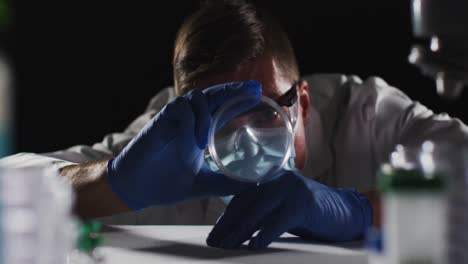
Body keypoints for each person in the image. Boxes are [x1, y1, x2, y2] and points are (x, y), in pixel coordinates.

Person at [2, 0, 468, 250]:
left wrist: (363, 211)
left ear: (302, 102)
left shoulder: (365, 114)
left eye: (267, 108)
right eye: (221, 116)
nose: (248, 137)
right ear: (184, 114)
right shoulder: (169, 146)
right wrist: (114, 181)